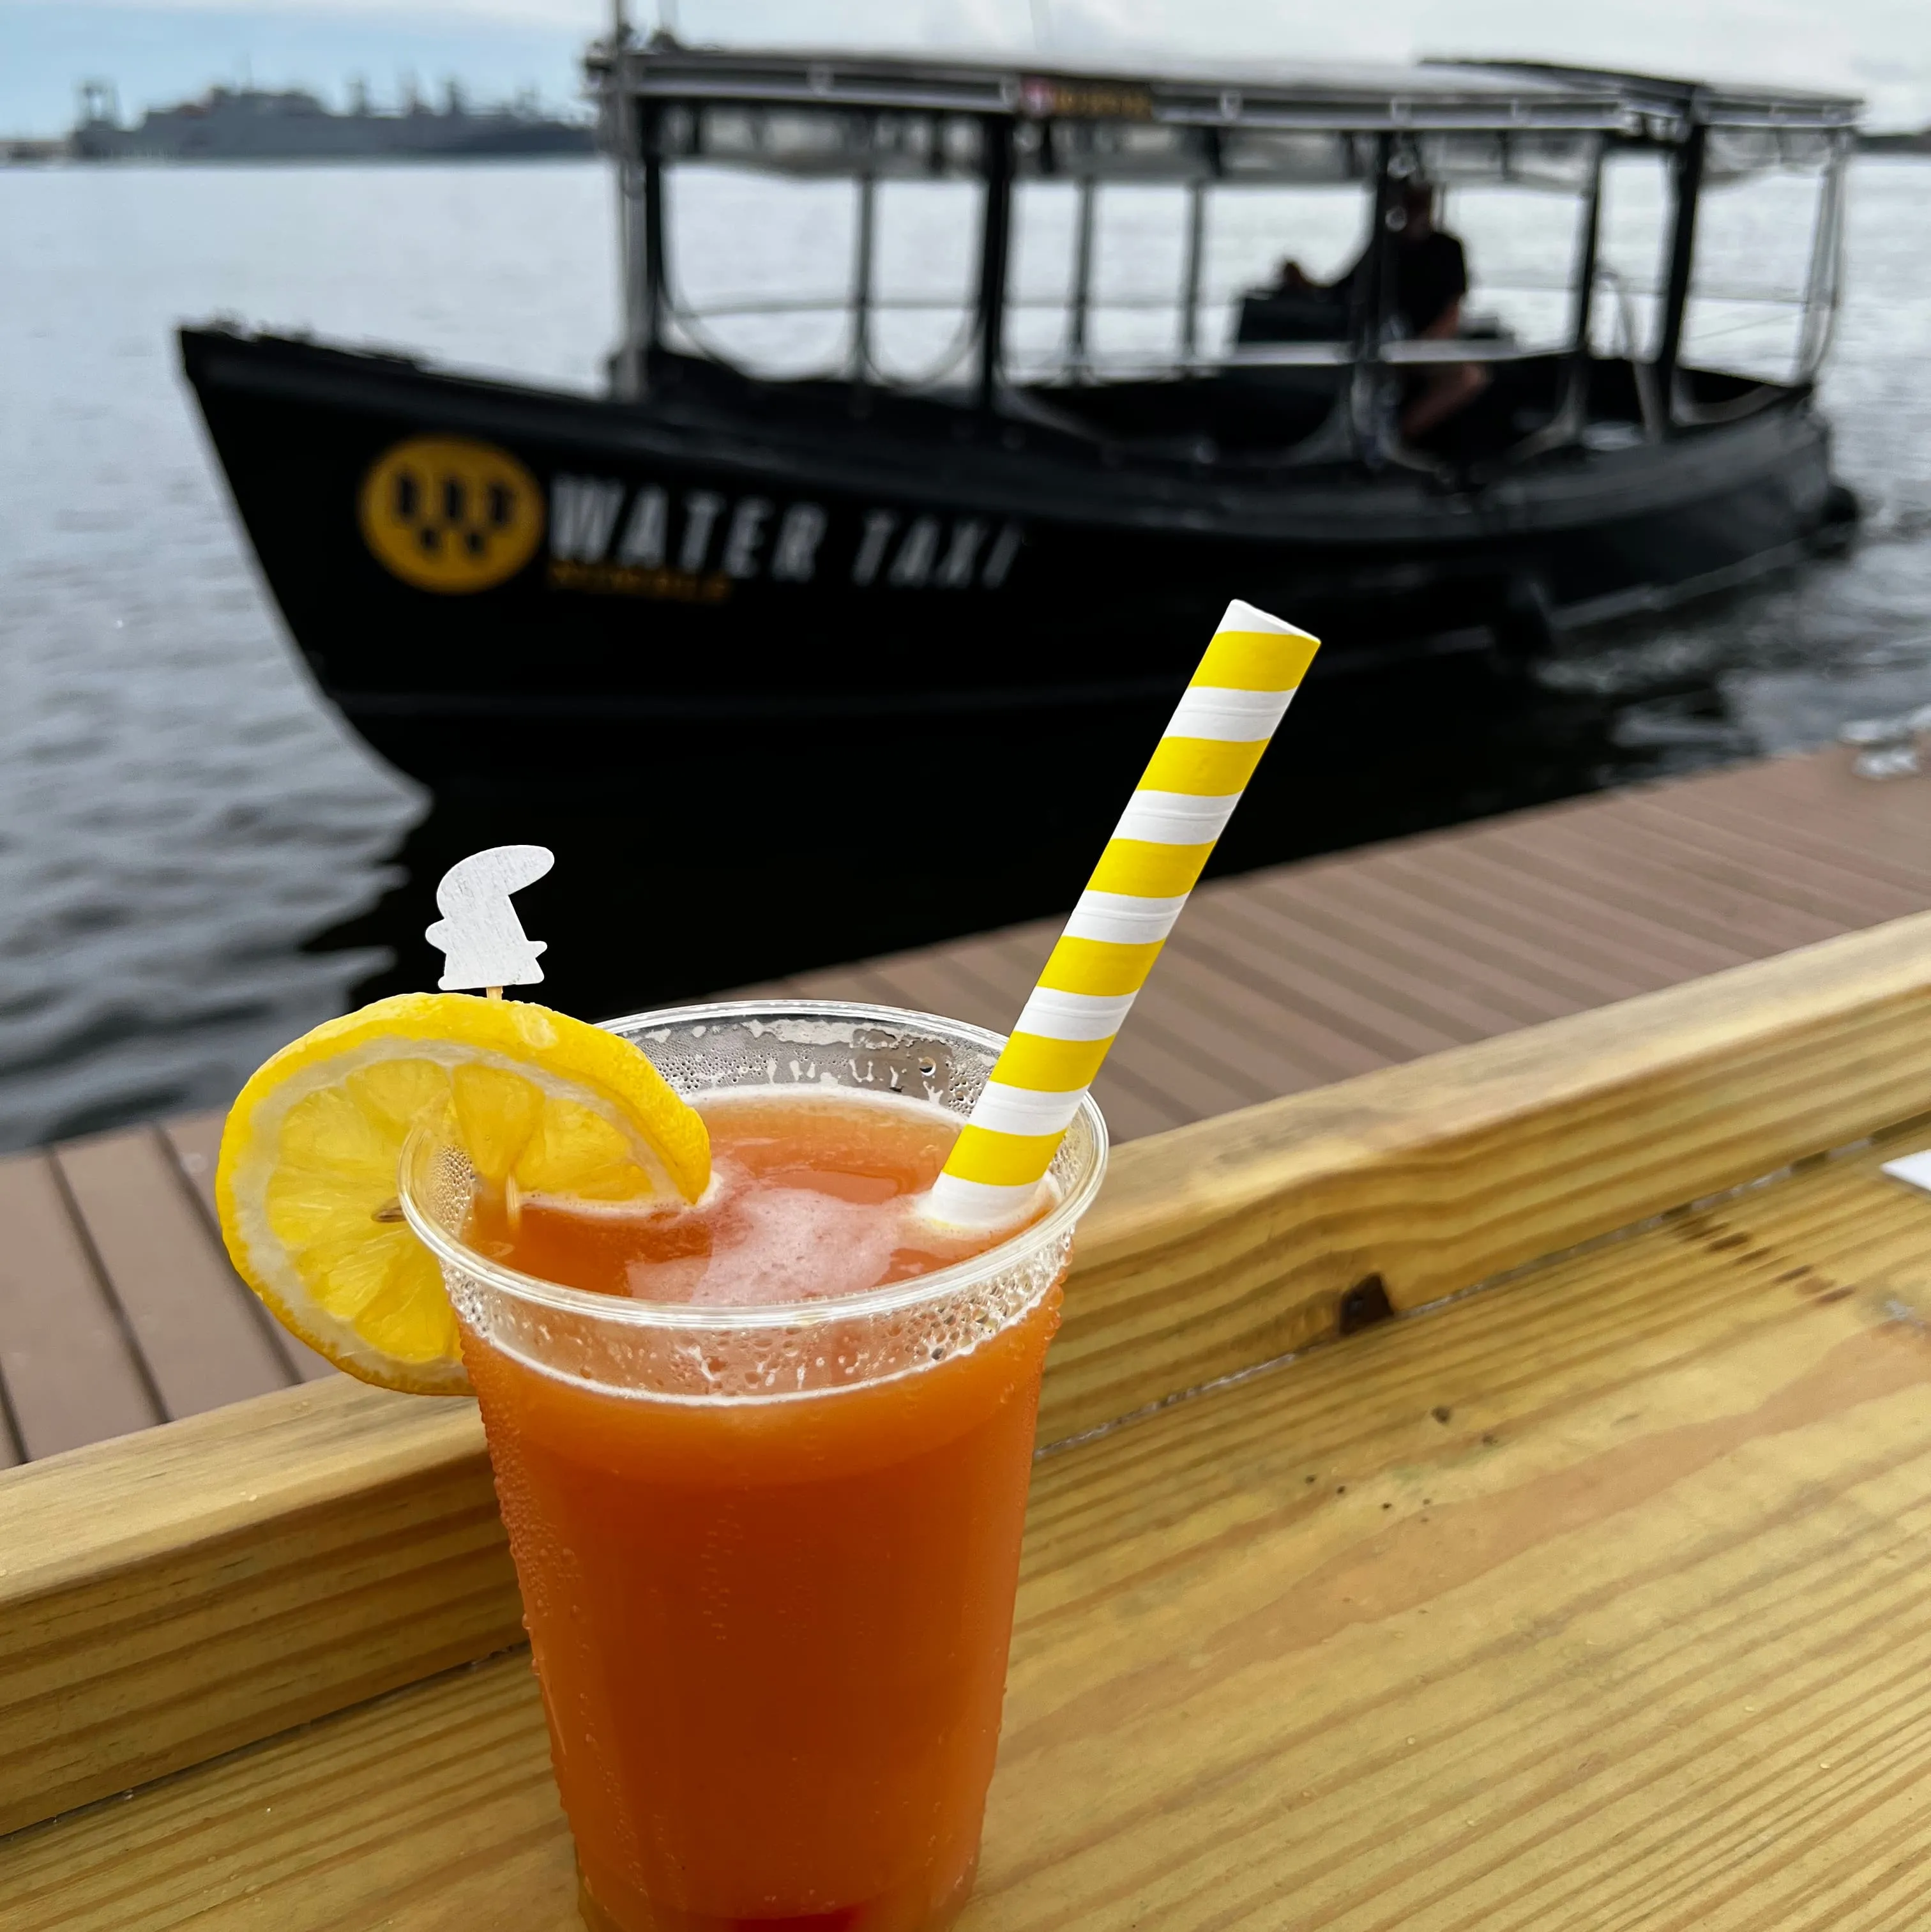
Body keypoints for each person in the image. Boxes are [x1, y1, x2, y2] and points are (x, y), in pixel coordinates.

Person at [1275, 179, 1488, 443]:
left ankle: (1399, 436)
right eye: (1410, 197)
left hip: (1427, 345)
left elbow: (1452, 311)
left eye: (1421, 196)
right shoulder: (1385, 246)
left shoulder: (1447, 248)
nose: (1416, 204)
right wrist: (1301, 281)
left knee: (1468, 377)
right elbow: (1338, 292)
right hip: (1378, 343)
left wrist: (1422, 349)